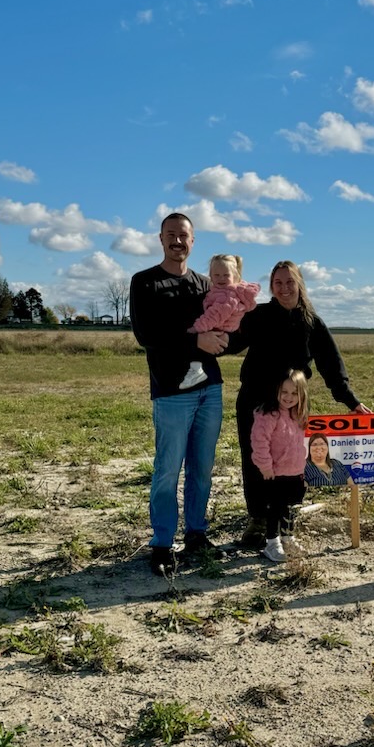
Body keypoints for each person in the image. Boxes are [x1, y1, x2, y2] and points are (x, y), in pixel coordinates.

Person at [229, 260, 370, 547]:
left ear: (299, 284)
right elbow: (231, 342)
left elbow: (331, 365)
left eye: (289, 282)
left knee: (290, 460)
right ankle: (257, 519)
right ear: (271, 286)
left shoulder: (311, 323)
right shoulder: (257, 315)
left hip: (293, 405)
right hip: (255, 399)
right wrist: (222, 316)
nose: (284, 288)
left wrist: (350, 401)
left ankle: (284, 520)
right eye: (278, 283)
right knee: (256, 458)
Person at [130, 212, 227, 574]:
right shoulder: (145, 283)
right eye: (171, 234)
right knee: (168, 470)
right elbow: (147, 335)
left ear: (193, 241)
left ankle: (197, 534)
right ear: (160, 238)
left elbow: (224, 324)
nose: (177, 241)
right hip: (171, 393)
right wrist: (195, 340)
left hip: (210, 390)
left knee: (202, 468)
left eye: (183, 235)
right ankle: (162, 543)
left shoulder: (206, 284)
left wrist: (227, 337)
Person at [250, 369, 309, 563]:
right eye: (284, 392)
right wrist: (265, 466)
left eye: (294, 393)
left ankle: (287, 538)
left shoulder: (298, 415)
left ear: (302, 395)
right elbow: (259, 442)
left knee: (290, 508)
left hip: (295, 472)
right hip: (274, 474)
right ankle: (271, 542)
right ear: (276, 390)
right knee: (274, 509)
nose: (288, 397)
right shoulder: (269, 414)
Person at [179, 254, 260, 390]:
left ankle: (196, 371)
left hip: (220, 326)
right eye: (216, 275)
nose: (221, 278)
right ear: (210, 275)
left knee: (197, 346)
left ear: (235, 276)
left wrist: (196, 329)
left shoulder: (226, 296)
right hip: (222, 325)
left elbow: (214, 316)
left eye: (226, 275)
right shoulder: (222, 291)